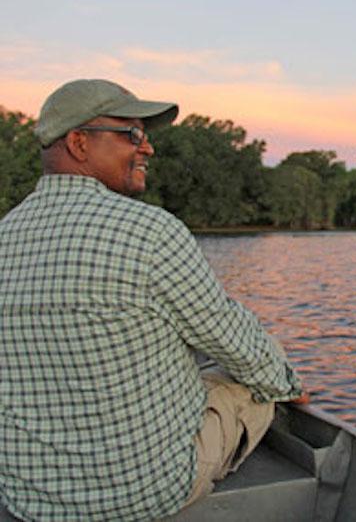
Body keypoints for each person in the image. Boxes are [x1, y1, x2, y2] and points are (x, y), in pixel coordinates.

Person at [0, 79, 308, 521]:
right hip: (145, 492)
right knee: (259, 366)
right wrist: (288, 383)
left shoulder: (5, 236)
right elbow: (236, 341)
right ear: (79, 142)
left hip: (31, 500)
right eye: (133, 135)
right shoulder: (151, 232)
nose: (147, 149)